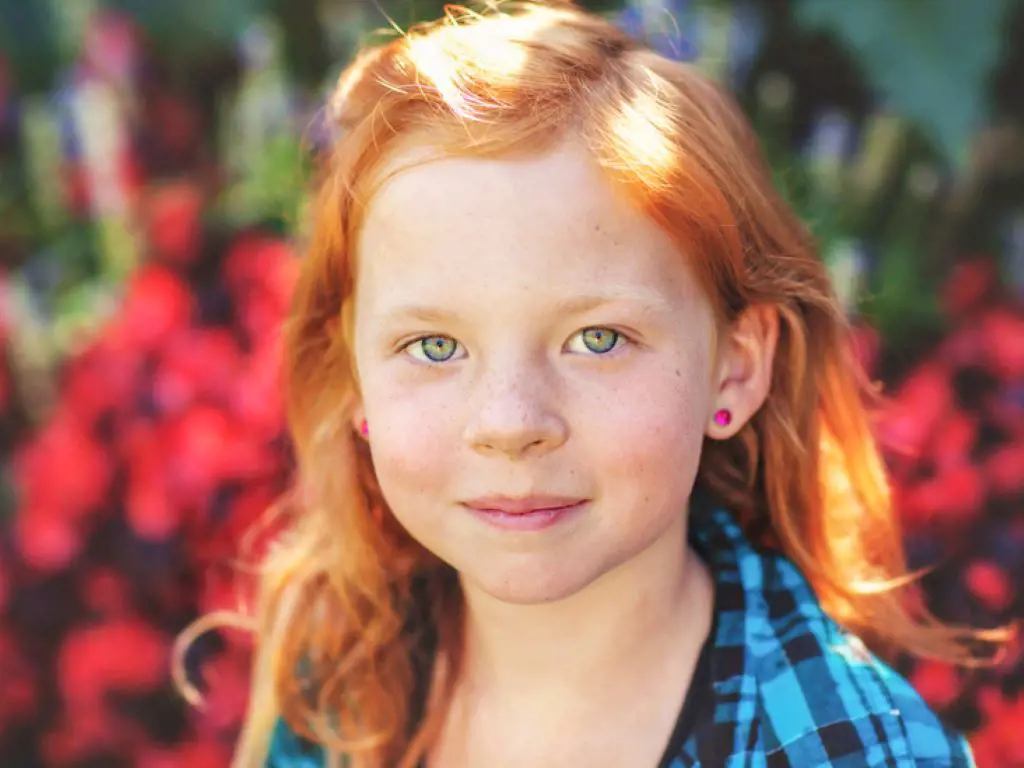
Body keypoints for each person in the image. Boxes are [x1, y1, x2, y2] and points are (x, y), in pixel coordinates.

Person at [179, 2, 1008, 766]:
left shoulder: (843, 748)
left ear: (737, 365)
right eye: (433, 345)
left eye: (597, 338)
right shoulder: (347, 677)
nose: (509, 423)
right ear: (354, 371)